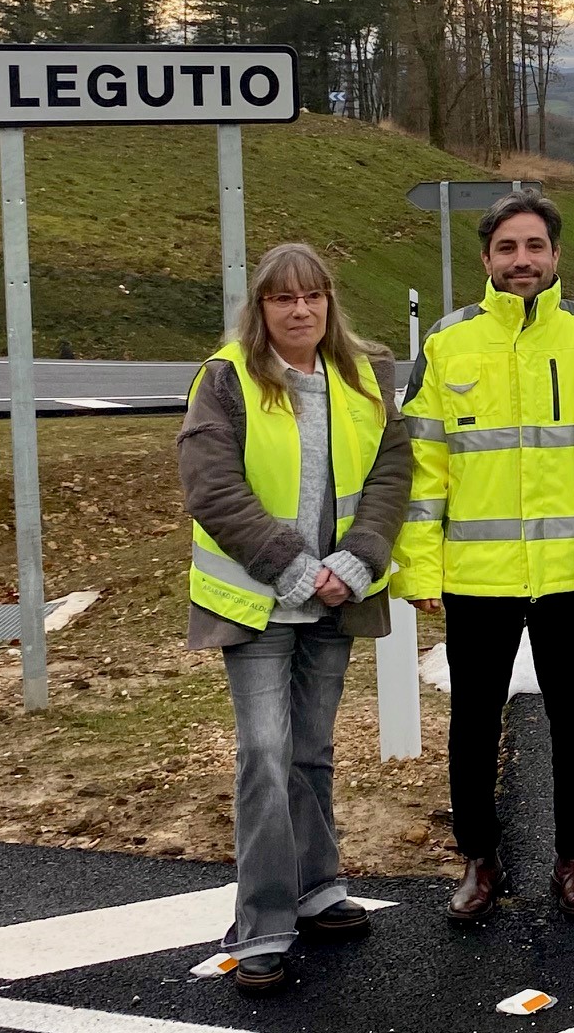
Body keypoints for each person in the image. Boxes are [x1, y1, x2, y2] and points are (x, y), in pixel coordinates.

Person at [392, 191, 574, 923]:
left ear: (557, 254)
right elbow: (424, 468)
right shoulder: (448, 342)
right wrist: (420, 568)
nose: (521, 260)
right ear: (486, 259)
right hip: (478, 577)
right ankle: (479, 860)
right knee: (473, 724)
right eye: (507, 248)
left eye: (534, 246)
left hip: (572, 573)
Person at [177, 242, 411, 997]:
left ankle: (317, 887)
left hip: (336, 597)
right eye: (283, 298)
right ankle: (263, 926)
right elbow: (211, 485)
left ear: (329, 301)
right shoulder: (226, 378)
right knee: (265, 754)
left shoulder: (365, 375)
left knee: (311, 750)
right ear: (261, 307)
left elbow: (391, 471)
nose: (300, 309)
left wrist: (359, 559)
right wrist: (292, 566)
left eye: (312, 295)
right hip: (258, 603)